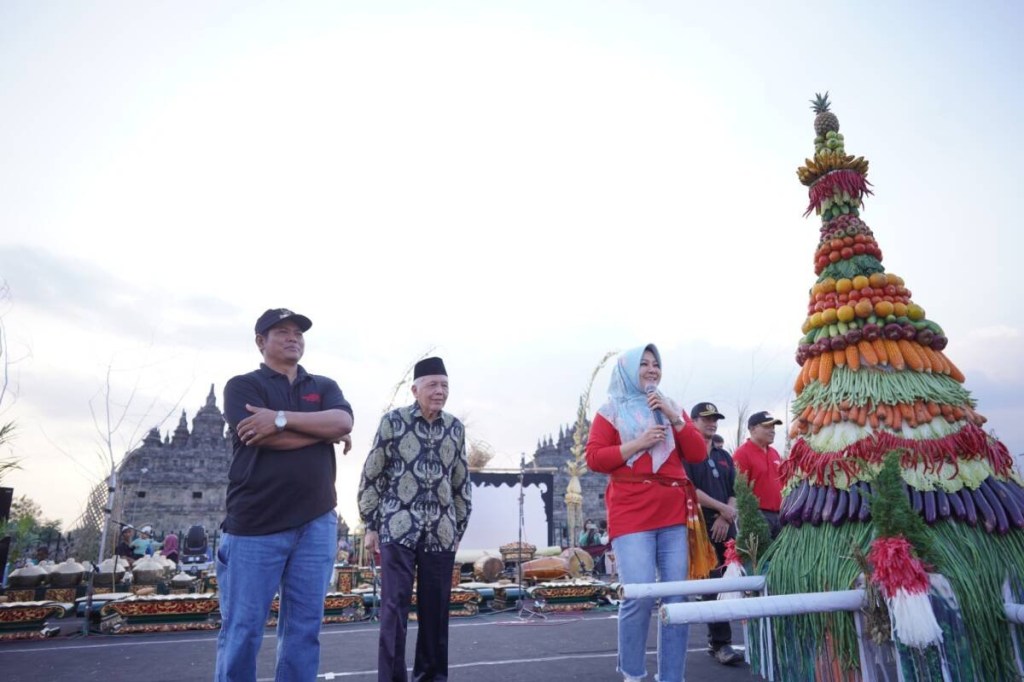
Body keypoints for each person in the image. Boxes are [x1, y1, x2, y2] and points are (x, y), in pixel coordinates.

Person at [216, 308, 354, 681]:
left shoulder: (322, 385)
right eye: (281, 332)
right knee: (243, 629)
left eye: (298, 332)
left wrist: (279, 419)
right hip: (255, 524)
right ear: (261, 342)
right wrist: (320, 432)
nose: (293, 337)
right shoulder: (243, 386)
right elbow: (258, 438)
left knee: (304, 630)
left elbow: (343, 421)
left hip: (316, 521)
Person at [585, 344, 709, 682]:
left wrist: (673, 416)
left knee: (676, 598)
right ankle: (633, 674)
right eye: (644, 364)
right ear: (627, 370)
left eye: (656, 364)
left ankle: (671, 676)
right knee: (638, 596)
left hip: (673, 514)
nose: (652, 370)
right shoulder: (610, 411)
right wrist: (638, 443)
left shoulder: (671, 408)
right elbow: (595, 458)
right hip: (632, 512)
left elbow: (697, 454)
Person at [358, 356, 472, 682]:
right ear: (415, 389)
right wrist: (370, 524)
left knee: (436, 613)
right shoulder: (392, 422)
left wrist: (458, 526)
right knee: (394, 610)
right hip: (397, 528)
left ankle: (432, 677)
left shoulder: (455, 428)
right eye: (433, 385)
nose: (440, 391)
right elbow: (372, 475)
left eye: (445, 386)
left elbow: (461, 483)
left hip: (441, 531)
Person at [682, 402, 743, 666]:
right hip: (700, 527)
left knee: (730, 582)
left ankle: (724, 640)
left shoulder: (724, 455)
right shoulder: (686, 455)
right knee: (711, 584)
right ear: (693, 421)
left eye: (715, 418)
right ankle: (720, 643)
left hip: (725, 524)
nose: (712, 422)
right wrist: (720, 510)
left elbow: (735, 490)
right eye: (706, 418)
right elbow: (690, 490)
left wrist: (726, 513)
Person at [733, 410, 785, 538]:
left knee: (778, 557)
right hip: (757, 515)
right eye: (767, 426)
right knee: (759, 557)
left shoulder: (774, 453)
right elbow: (739, 490)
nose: (772, 430)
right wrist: (750, 518)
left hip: (779, 515)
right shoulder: (742, 454)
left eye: (773, 427)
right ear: (752, 429)